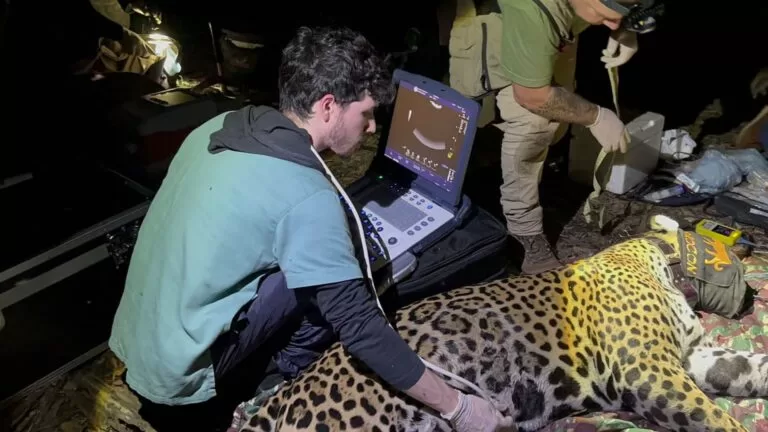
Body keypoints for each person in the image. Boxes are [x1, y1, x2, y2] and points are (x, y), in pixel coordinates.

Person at [108, 26, 514, 432]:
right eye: (366, 113)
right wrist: (459, 408)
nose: (372, 128)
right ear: (327, 107)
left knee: (315, 255)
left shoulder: (218, 127)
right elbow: (359, 327)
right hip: (181, 377)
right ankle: (275, 383)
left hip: (140, 340)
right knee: (334, 276)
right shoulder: (307, 196)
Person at [447, 0, 643, 274]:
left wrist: (626, 26)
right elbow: (533, 97)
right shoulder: (531, 9)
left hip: (552, 29)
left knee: (559, 111)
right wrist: (596, 116)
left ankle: (516, 171)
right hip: (499, 29)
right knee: (536, 119)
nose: (612, 23)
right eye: (606, 16)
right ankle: (523, 231)